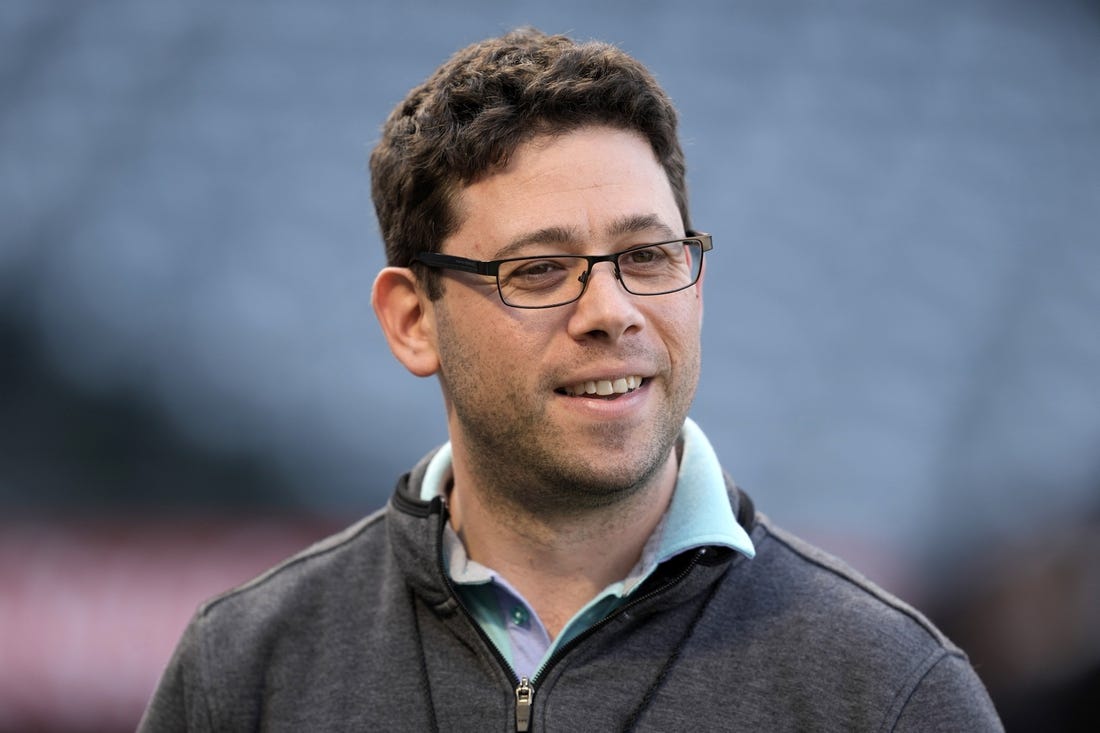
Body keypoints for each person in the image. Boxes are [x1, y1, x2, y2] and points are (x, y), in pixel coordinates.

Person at [139, 28, 1003, 731]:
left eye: (648, 255)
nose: (612, 310)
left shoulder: (892, 691)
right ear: (413, 319)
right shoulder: (244, 672)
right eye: (541, 269)